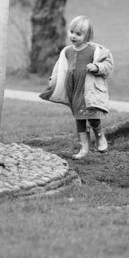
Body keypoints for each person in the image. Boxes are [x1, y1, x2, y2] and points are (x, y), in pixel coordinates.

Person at [41, 14, 114, 160]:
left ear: (87, 35)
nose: (73, 36)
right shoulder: (67, 51)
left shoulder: (94, 51)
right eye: (71, 32)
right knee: (79, 118)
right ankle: (83, 147)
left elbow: (108, 65)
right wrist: (53, 80)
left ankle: (100, 137)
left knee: (92, 116)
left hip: (88, 90)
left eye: (78, 34)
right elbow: (60, 68)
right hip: (74, 89)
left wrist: (97, 66)